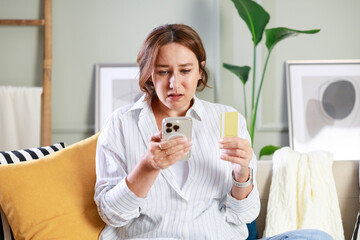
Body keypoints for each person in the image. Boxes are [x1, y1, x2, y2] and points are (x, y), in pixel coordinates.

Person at [94, 24, 333, 240]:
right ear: (149, 73)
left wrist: (242, 174)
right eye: (163, 71)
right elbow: (113, 215)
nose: (174, 84)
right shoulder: (121, 124)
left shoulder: (226, 119)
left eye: (185, 70)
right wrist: (147, 167)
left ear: (200, 70)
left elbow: (242, 216)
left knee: (316, 237)